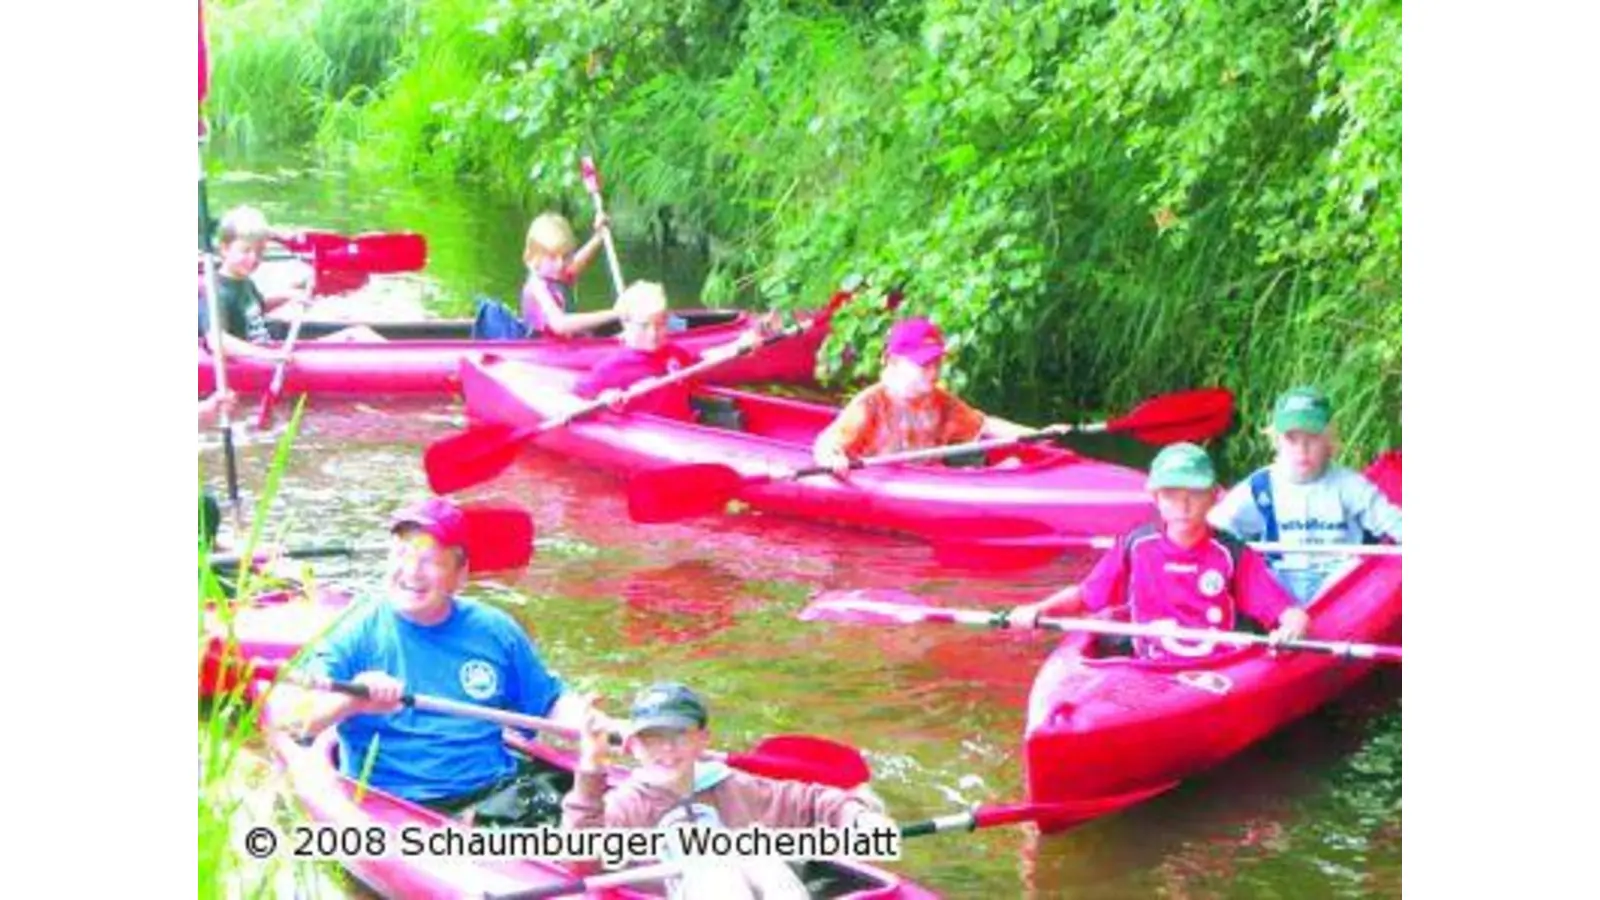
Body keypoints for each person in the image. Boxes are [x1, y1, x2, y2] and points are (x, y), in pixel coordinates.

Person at [266, 496, 617, 823]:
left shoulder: (495, 629)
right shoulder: (355, 629)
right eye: (401, 554)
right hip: (400, 807)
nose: (411, 571)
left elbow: (549, 703)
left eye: (430, 560)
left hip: (496, 795)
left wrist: (593, 723)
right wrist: (352, 699)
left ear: (460, 575)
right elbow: (291, 720)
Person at [563, 682, 895, 897]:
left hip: (759, 883)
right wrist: (591, 765)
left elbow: (814, 801)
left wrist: (859, 817)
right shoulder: (626, 805)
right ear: (633, 746)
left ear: (702, 740)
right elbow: (581, 860)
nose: (667, 749)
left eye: (679, 736)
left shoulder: (734, 786)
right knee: (717, 872)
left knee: (763, 858)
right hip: (695, 889)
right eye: (653, 738)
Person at [1008, 442, 1310, 659]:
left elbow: (1291, 614)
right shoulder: (1135, 546)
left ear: (1213, 496)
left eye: (1194, 494)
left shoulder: (1233, 554)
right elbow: (1085, 596)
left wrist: (1290, 631)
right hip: (1148, 667)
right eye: (1171, 495)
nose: (1183, 505)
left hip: (1217, 669)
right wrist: (1039, 609)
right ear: (1155, 498)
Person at [1207, 386, 1403, 605]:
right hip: (1280, 584)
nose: (1302, 449)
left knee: (1359, 569)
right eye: (1292, 439)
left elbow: (1395, 523)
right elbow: (1213, 528)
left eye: (1313, 437)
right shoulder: (1260, 486)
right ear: (1277, 441)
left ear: (1329, 439)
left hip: (1338, 587)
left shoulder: (1350, 485)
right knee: (1251, 575)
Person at [811, 316, 1048, 475]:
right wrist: (832, 459)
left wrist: (1038, 435)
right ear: (894, 362)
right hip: (881, 478)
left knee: (998, 459)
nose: (934, 372)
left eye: (937, 363)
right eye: (924, 365)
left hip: (927, 475)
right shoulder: (870, 404)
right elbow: (825, 445)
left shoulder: (940, 400)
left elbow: (985, 425)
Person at [199, 205, 382, 360]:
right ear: (224, 249)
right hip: (259, 362)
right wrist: (271, 356)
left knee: (359, 334)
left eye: (260, 251)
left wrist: (290, 295)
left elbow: (255, 308)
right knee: (356, 336)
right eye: (245, 251)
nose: (253, 258)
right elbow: (216, 341)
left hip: (268, 350)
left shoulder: (242, 281)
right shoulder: (214, 292)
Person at [572, 281, 761, 420]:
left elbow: (704, 360)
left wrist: (738, 346)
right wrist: (605, 398)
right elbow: (577, 397)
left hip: (685, 429)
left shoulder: (673, 353)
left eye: (660, 324)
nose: (653, 333)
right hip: (653, 436)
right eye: (644, 326)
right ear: (626, 324)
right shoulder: (613, 367)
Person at [521, 211, 621, 337]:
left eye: (565, 256)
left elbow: (577, 264)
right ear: (533, 258)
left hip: (566, 342)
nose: (560, 264)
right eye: (552, 257)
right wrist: (616, 313)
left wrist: (599, 236)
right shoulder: (537, 286)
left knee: (621, 323)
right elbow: (559, 324)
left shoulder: (555, 275)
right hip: (545, 345)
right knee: (617, 320)